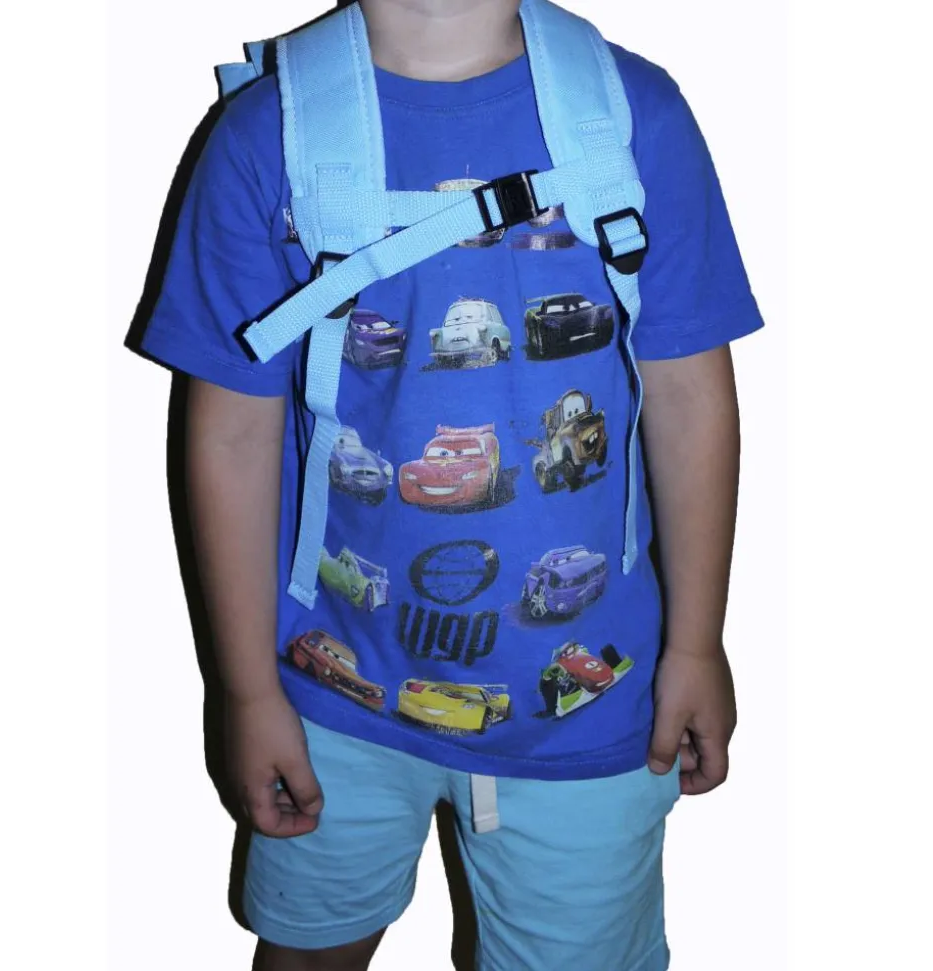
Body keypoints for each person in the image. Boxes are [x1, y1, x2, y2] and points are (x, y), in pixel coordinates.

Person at [137, 0, 763, 968]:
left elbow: (688, 398)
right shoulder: (269, 133)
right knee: (308, 948)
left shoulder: (632, 116)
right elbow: (228, 433)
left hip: (589, 707)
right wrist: (245, 689)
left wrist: (696, 642)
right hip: (327, 695)